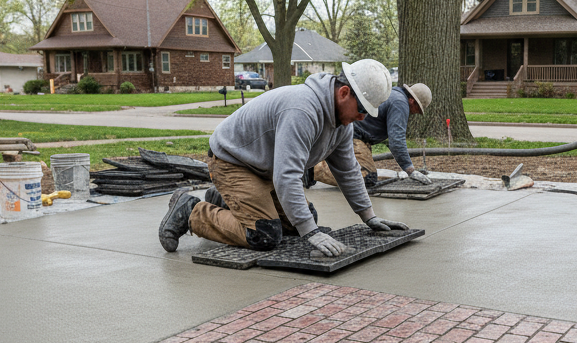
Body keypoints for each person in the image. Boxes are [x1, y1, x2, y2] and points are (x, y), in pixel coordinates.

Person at [158, 59, 409, 255]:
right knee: (265, 234)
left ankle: (226, 200)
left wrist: (369, 216)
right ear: (344, 92)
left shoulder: (342, 124)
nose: (363, 117)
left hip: (262, 168)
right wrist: (310, 232)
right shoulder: (302, 109)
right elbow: (287, 176)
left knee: (300, 223)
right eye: (363, 109)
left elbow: (348, 170)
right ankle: (191, 211)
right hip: (232, 162)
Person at [311, 81, 432, 190]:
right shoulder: (400, 103)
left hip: (355, 134)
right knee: (367, 177)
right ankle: (313, 170)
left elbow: (391, 138)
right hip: (355, 136)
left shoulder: (395, 95)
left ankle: (321, 165)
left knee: (364, 173)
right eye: (418, 109)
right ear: (412, 101)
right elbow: (396, 140)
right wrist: (409, 170)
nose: (415, 113)